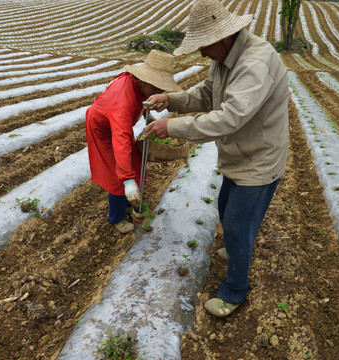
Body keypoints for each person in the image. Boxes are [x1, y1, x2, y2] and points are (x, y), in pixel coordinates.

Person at [145, 0, 289, 317]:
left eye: (203, 47)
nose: (201, 54)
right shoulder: (225, 57)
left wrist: (172, 127)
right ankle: (238, 247)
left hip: (259, 160)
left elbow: (228, 119)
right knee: (226, 208)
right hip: (240, 154)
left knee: (237, 225)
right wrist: (172, 99)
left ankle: (234, 291)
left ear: (221, 39)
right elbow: (208, 93)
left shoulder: (255, 64)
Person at [85, 50, 181, 234]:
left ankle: (128, 204)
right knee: (117, 173)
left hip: (117, 124)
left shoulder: (138, 85)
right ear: (145, 80)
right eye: (157, 86)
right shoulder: (123, 101)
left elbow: (139, 102)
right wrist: (128, 182)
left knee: (133, 162)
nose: (160, 91)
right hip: (102, 129)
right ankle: (117, 217)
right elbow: (120, 142)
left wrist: (148, 115)